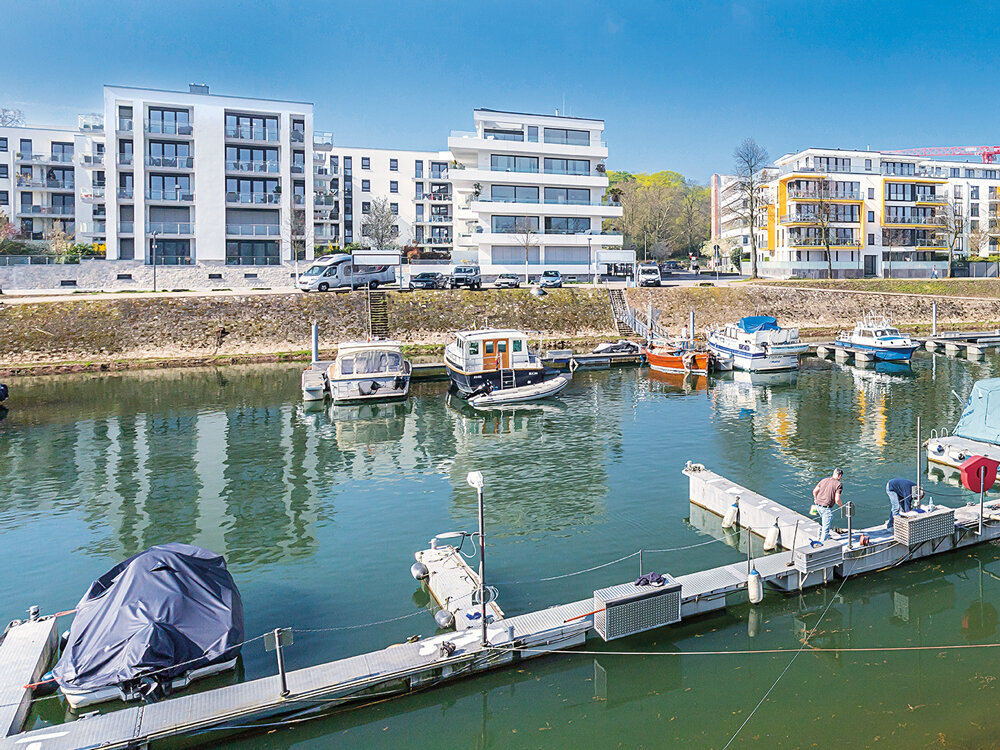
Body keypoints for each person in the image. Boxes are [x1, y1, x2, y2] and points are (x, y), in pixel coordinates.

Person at [811, 468, 844, 546]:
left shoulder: (824, 480)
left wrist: (815, 499)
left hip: (818, 506)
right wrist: (841, 506)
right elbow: (837, 499)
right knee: (826, 527)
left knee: (824, 522)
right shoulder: (839, 484)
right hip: (826, 508)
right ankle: (822, 545)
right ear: (839, 475)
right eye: (841, 476)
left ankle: (822, 537)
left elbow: (815, 491)